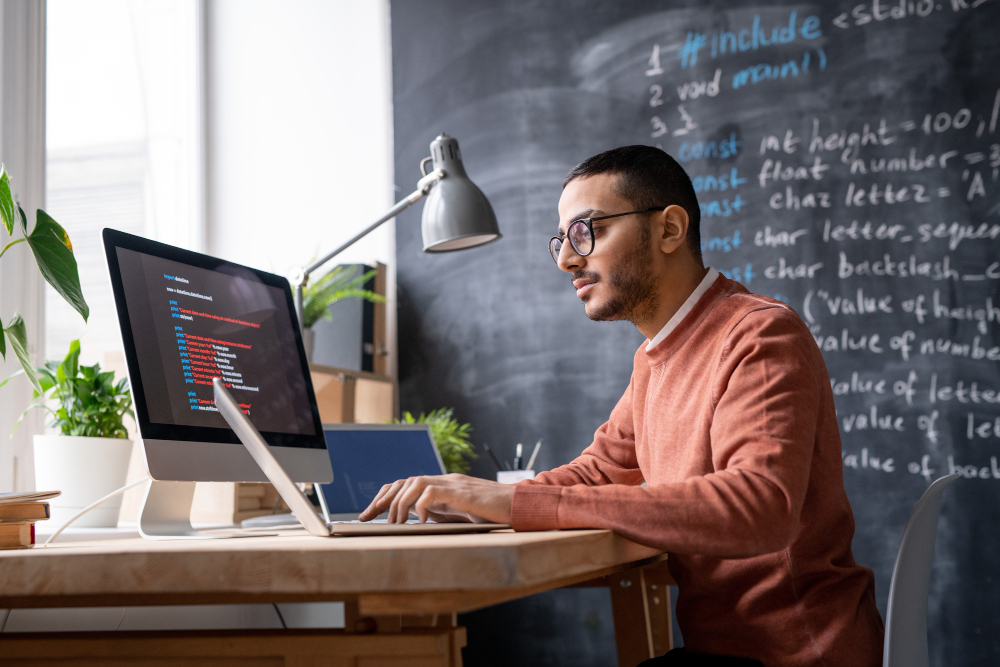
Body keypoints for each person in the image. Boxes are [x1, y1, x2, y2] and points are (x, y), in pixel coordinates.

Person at [360, 145, 884, 666]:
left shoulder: (758, 334)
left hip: (798, 655)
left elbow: (759, 506)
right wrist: (475, 501)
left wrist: (516, 504)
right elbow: (599, 471)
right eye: (561, 240)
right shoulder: (653, 359)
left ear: (669, 230)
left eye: (587, 231)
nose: (567, 258)